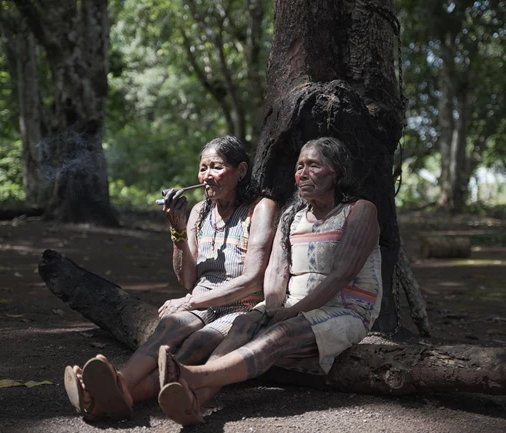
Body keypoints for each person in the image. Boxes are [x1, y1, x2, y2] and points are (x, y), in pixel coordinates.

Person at [156, 136, 383, 426]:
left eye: (313, 166)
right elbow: (276, 276)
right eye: (299, 166)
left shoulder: (360, 211)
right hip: (293, 308)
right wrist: (270, 310)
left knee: (278, 336)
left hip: (346, 310)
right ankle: (195, 402)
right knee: (244, 323)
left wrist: (289, 314)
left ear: (336, 172)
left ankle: (189, 375)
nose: (302, 173)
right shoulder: (292, 216)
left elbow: (342, 275)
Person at [63, 136, 279, 421]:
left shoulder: (261, 208)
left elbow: (252, 281)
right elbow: (188, 278)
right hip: (202, 299)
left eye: (216, 167)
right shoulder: (200, 212)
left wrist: (189, 302)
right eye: (203, 169)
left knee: (197, 344)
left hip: (243, 305)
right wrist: (177, 230)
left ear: (240, 171)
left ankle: (110, 395)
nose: (206, 176)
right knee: (168, 329)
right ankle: (119, 385)